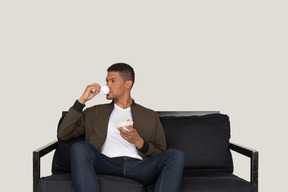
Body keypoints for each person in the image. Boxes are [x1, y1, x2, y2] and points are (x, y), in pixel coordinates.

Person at [58, 63, 185, 192]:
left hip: (140, 167)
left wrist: (139, 142)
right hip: (107, 163)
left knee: (176, 155)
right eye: (107, 81)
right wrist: (82, 100)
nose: (107, 85)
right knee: (80, 147)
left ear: (128, 84)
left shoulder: (150, 115)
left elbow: (161, 153)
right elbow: (64, 134)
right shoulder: (94, 112)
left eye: (113, 81)